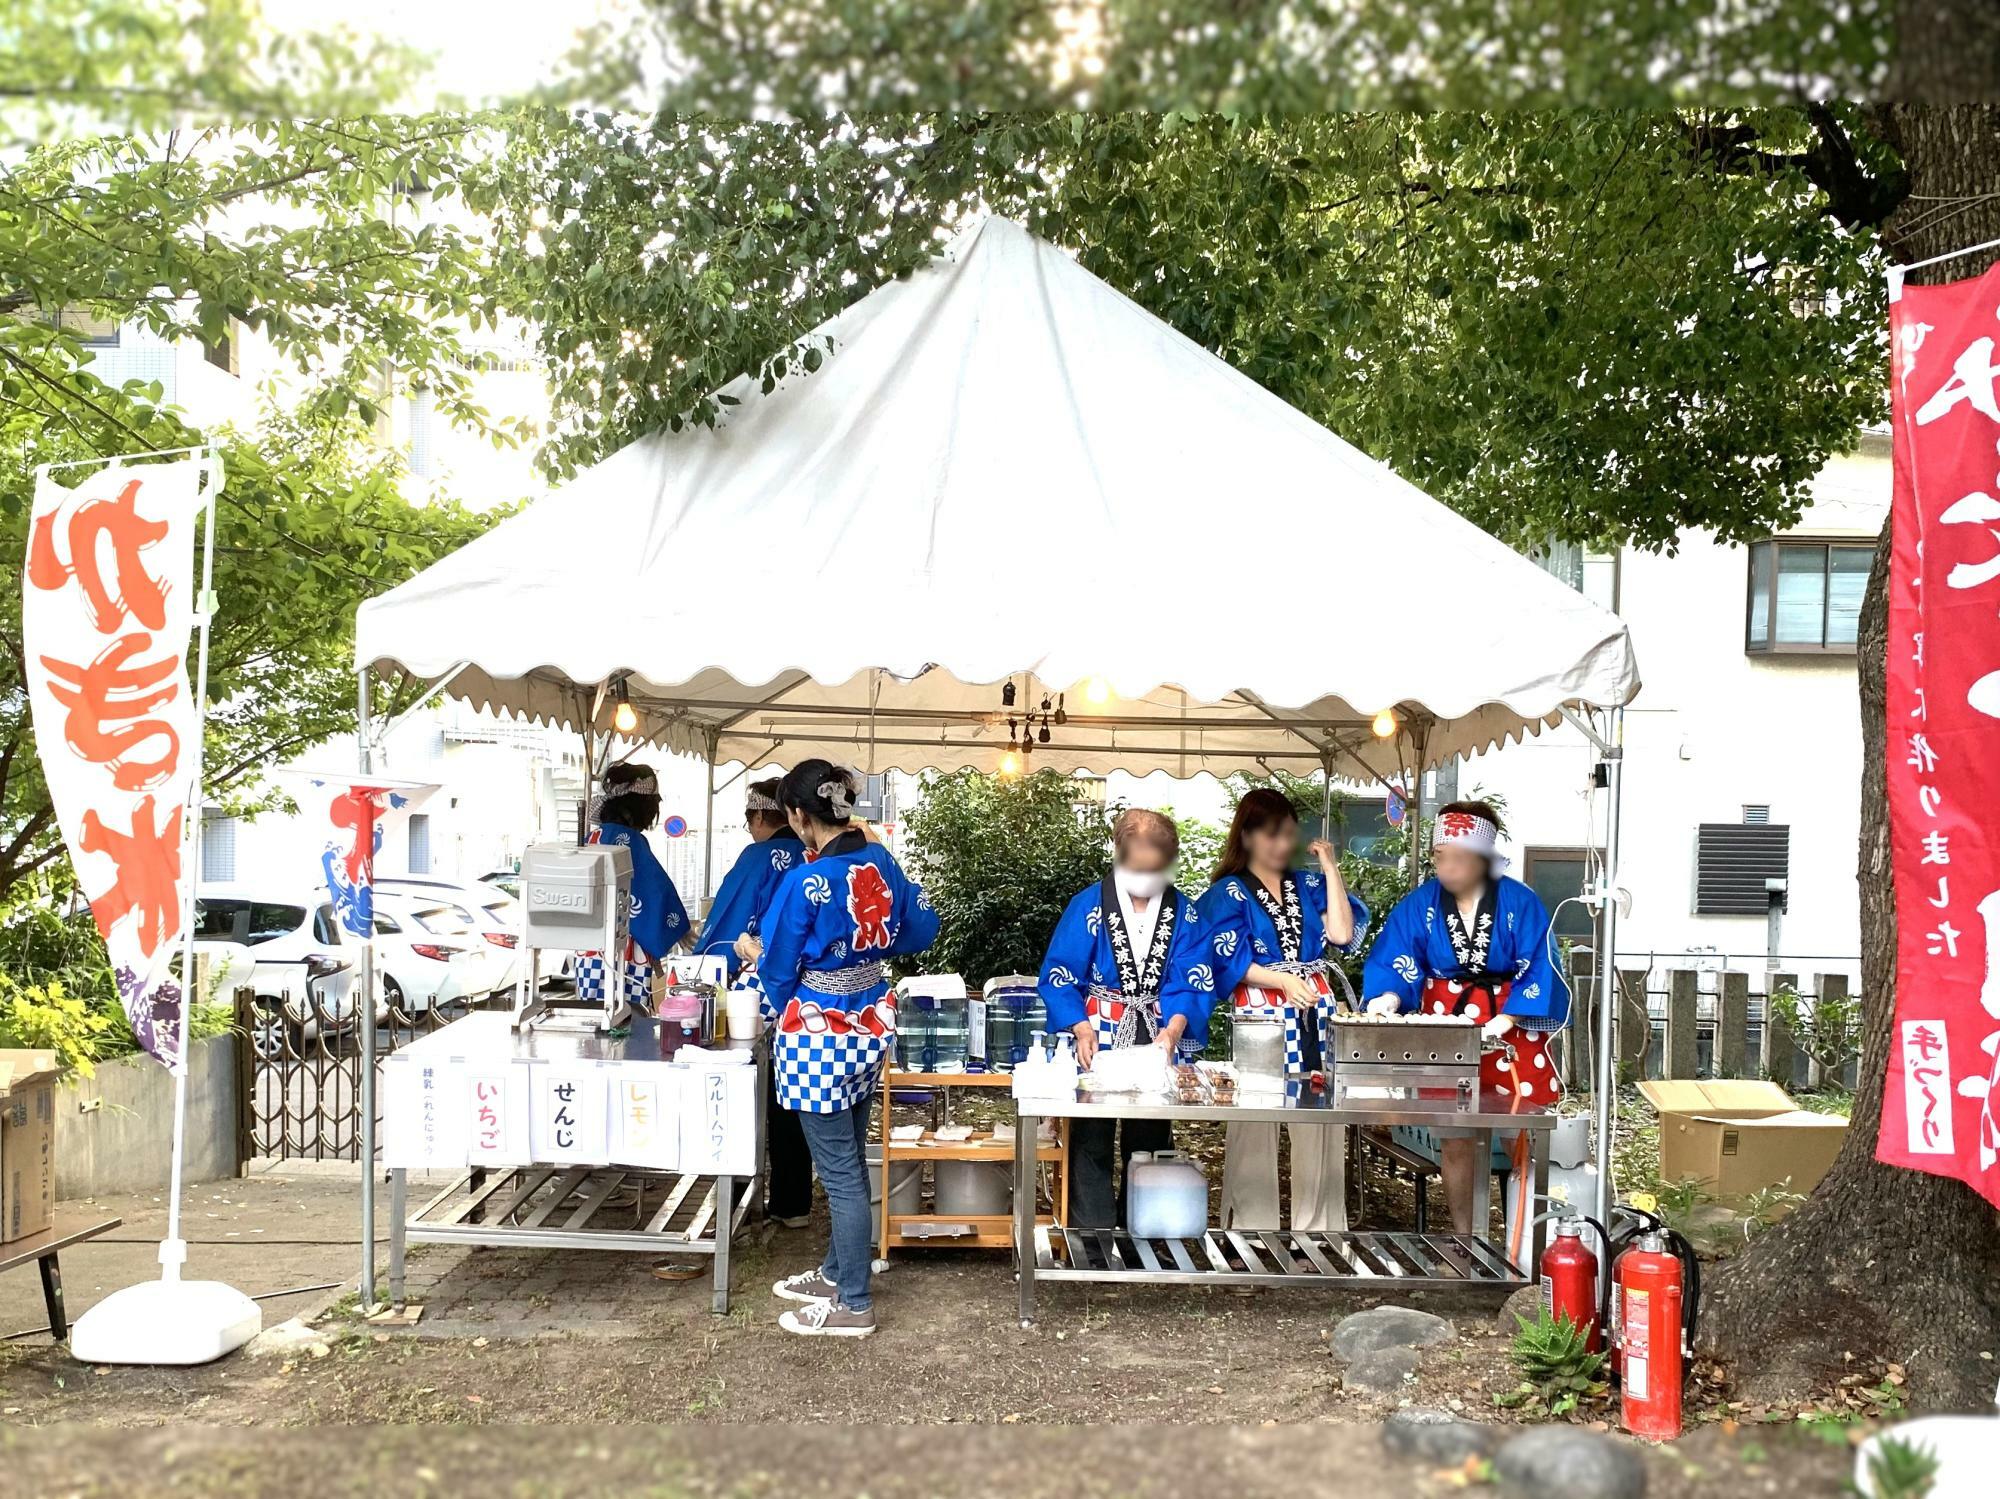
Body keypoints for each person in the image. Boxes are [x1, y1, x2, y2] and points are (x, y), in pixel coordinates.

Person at [760, 760, 937, 1337]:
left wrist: (778, 981)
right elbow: (921, 928)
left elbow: (778, 967)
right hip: (870, 1022)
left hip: (818, 1035)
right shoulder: (881, 860)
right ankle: (838, 1271)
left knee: (837, 1171)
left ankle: (854, 1302)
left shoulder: (804, 881)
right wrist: (867, 951)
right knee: (850, 1158)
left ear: (798, 815)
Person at [1360, 801, 1569, 1235]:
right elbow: (1398, 955)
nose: (1446, 866)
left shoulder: (1520, 901)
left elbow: (1540, 964)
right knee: (1457, 1136)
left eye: (1457, 857)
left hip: (1512, 1026)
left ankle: (1525, 1243)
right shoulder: (1421, 904)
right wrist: (1388, 998)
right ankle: (1464, 1241)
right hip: (1448, 1025)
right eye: (1439, 856)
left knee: (1523, 1133)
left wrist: (1510, 1018)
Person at [1199, 788, 1370, 1232]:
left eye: (1288, 835)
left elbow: (1341, 932)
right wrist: (1279, 980)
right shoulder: (1227, 892)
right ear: (1250, 835)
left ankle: (1321, 1231)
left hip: (1315, 1005)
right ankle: (1251, 1232)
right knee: (1256, 1117)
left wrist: (1330, 868)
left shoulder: (1308, 885)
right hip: (1262, 1010)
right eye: (1273, 835)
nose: (1282, 845)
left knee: (1321, 1114)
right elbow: (1223, 957)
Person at [1038, 808, 1216, 1230]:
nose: (1145, 876)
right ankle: (1092, 1236)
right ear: (1118, 855)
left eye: (1155, 869)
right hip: (1098, 1028)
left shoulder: (1186, 914)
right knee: (1091, 1136)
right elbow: (1060, 972)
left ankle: (1145, 1230)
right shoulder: (1088, 906)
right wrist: (1079, 1025)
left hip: (1156, 1030)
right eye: (1136, 866)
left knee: (1150, 1137)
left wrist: (1173, 1031)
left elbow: (1193, 978)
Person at [695, 777, 813, 1228]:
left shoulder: (758, 858)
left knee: (744, 1089)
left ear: (764, 816)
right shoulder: (814, 855)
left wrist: (703, 965)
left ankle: (740, 1198)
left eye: (749, 818)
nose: (748, 827)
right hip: (810, 992)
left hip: (759, 988)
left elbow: (727, 925)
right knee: (791, 1092)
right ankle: (794, 1203)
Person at [575, 762, 690, 1010]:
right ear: (643, 808)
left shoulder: (592, 837)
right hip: (624, 950)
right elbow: (655, 892)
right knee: (627, 1021)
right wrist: (681, 930)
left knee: (592, 1018)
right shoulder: (629, 841)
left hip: (588, 947)